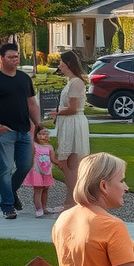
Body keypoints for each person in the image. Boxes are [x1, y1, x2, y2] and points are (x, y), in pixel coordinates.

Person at [0, 42, 40, 219]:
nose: (15, 59)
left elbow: (32, 104)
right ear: (2, 58)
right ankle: (7, 206)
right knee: (5, 169)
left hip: (24, 130)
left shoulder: (24, 78)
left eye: (17, 56)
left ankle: (10, 193)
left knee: (25, 165)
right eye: (11, 57)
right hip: (4, 132)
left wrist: (37, 125)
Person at [48, 50, 91, 188]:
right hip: (67, 122)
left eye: (61, 62)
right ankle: (72, 197)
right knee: (65, 162)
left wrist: (58, 112)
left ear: (68, 63)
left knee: (70, 162)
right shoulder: (70, 82)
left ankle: (74, 197)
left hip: (73, 123)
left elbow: (73, 108)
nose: (59, 66)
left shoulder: (77, 83)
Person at [26, 125, 59, 218]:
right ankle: (38, 209)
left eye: (44, 133)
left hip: (47, 172)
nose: (42, 136)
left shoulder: (50, 147)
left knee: (45, 190)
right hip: (37, 171)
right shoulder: (34, 146)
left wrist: (61, 164)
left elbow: (53, 159)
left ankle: (44, 208)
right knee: (38, 190)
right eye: (39, 134)